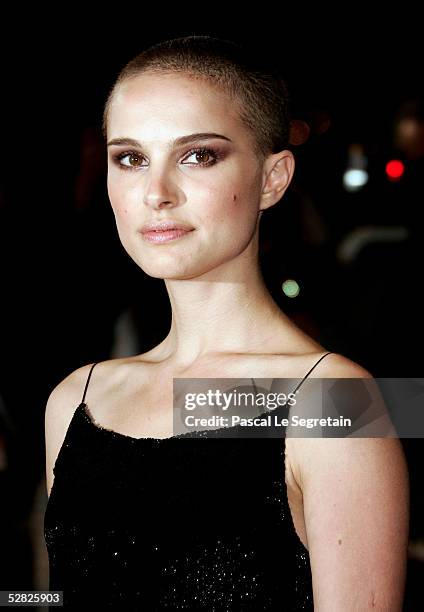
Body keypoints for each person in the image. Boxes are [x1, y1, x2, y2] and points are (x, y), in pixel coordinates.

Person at [43, 35, 409, 610]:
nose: (156, 193)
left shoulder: (334, 401)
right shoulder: (76, 398)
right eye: (130, 158)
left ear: (272, 179)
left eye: (198, 156)